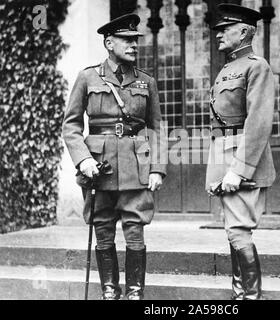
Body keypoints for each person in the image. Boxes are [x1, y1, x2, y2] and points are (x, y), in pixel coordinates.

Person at [62, 13, 167, 300]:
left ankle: (135, 293)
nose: (134, 45)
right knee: (102, 226)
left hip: (136, 167)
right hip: (99, 166)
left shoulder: (147, 82)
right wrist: (83, 159)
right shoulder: (88, 77)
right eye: (127, 40)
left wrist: (157, 168)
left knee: (135, 229)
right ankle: (110, 290)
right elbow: (70, 125)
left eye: (136, 40)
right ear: (109, 43)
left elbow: (157, 128)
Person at [206, 4, 276, 300]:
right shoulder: (227, 68)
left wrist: (239, 169)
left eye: (225, 29)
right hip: (223, 154)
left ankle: (250, 297)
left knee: (238, 231)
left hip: (241, 159)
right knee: (232, 230)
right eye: (218, 29)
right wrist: (218, 168)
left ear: (245, 31)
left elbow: (258, 122)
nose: (218, 34)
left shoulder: (256, 66)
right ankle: (240, 295)